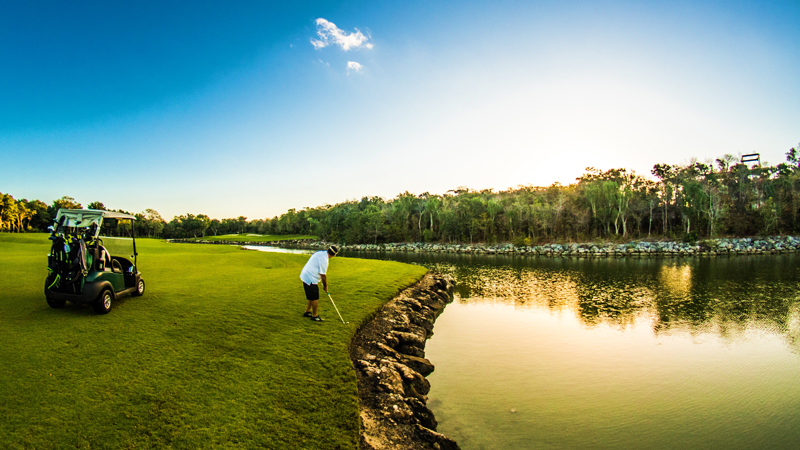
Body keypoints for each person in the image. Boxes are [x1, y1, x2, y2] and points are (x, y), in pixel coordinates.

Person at [299, 245, 339, 321]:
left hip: (305, 275)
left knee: (311, 296)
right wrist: (325, 286)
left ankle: (307, 312)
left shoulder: (320, 252)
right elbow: (323, 275)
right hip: (310, 278)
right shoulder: (325, 260)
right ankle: (315, 316)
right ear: (333, 255)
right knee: (315, 298)